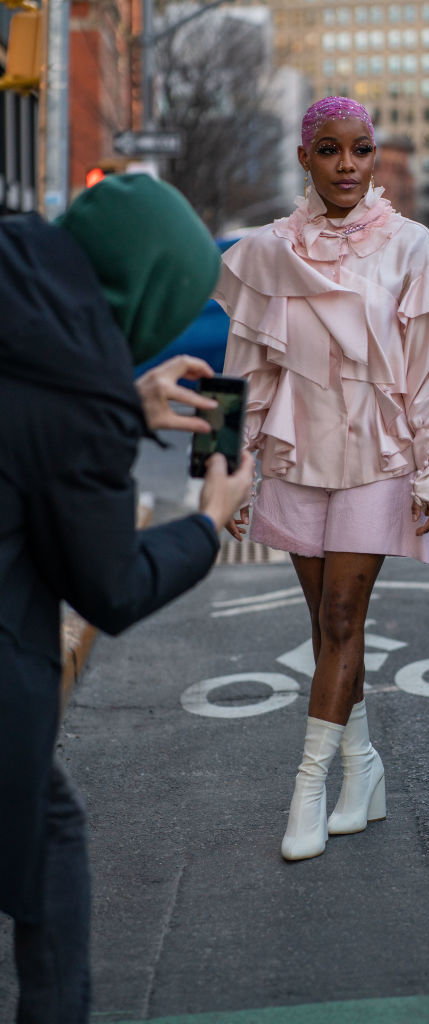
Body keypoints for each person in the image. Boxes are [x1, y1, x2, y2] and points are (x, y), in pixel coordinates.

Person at [0, 173, 254, 1024]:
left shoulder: (17, 272)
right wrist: (209, 524)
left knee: (50, 821)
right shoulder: (81, 400)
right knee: (46, 826)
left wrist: (122, 400)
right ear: (143, 300)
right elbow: (109, 586)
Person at [213, 96, 429, 861]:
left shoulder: (410, 246)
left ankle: (308, 789)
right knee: (324, 625)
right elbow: (243, 373)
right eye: (330, 150)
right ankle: (363, 768)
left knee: (340, 622)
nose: (348, 165)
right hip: (295, 455)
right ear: (306, 158)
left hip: (375, 455)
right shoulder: (266, 251)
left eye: (361, 149)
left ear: (375, 156)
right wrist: (229, 469)